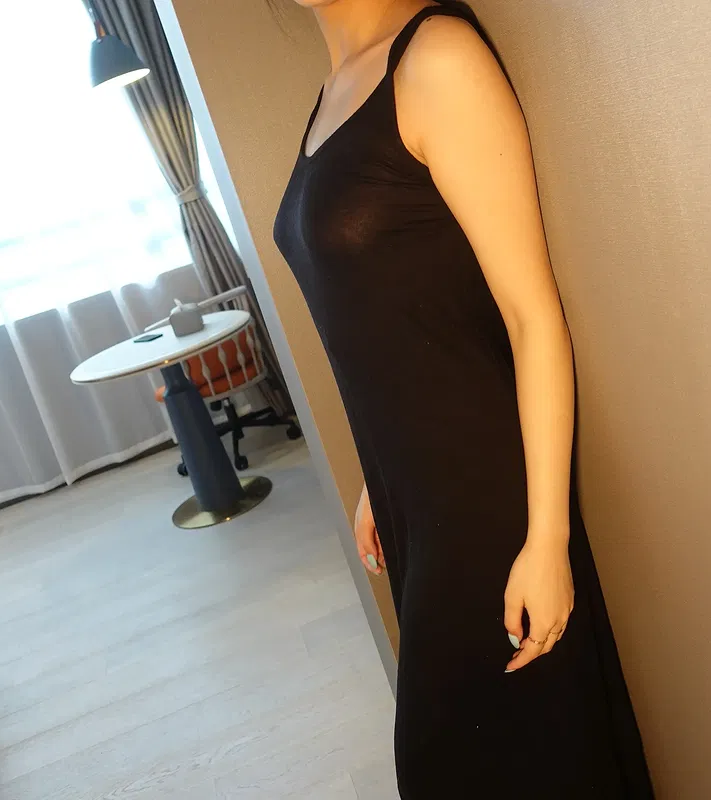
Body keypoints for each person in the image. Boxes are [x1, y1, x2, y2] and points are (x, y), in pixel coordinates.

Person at [273, 1, 654, 795]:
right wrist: (376, 478)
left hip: (487, 502)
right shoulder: (339, 85)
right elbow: (391, 317)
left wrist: (546, 540)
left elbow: (530, 317)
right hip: (415, 500)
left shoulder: (436, 57)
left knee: (481, 758)